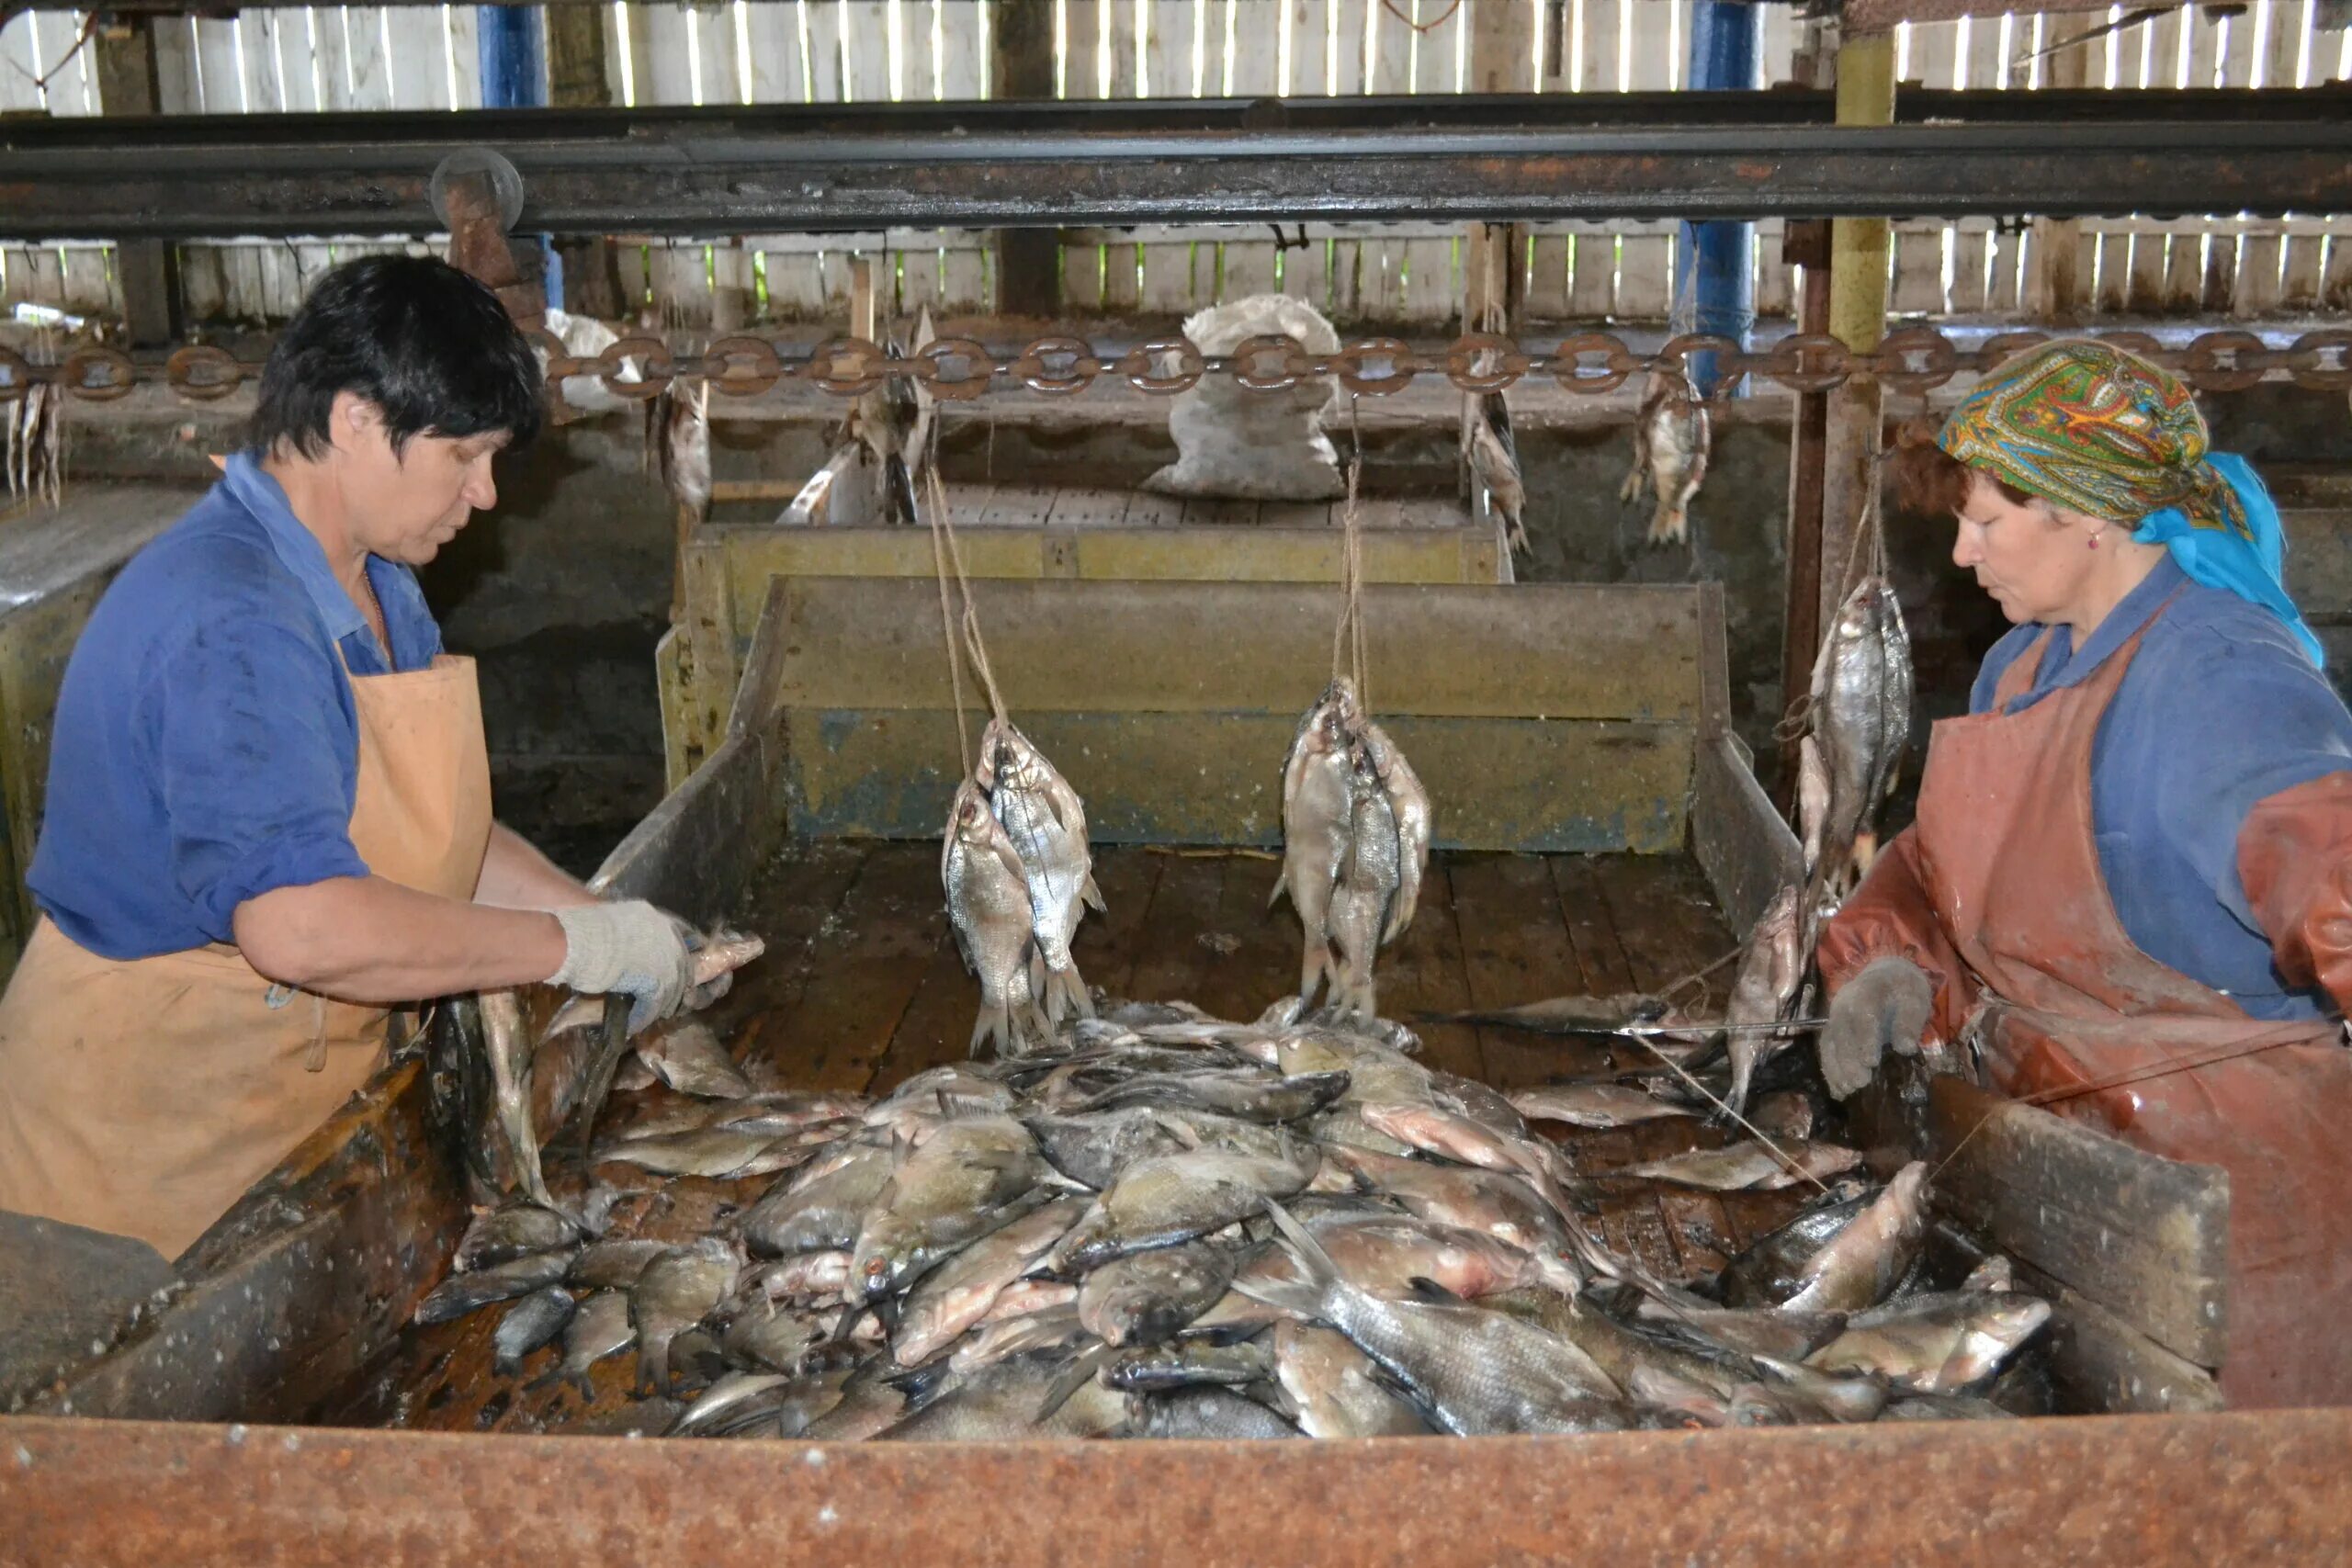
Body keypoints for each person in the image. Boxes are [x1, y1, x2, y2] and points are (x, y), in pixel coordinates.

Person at [0, 256, 748, 1263]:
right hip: (144, 1141)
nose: (485, 496)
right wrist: (567, 953)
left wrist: (603, 921)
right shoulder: (232, 617)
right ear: (355, 421)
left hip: (284, 1106)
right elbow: (299, 926)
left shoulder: (376, 581)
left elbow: (439, 837)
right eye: (465, 456)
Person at [1816, 339, 2352, 1407]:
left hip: (2227, 1205)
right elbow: (1949, 856)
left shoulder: (2221, 680)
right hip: (2058, 1158)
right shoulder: (2025, 657)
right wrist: (1886, 956)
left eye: (1988, 523)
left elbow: (2332, 870)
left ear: (2091, 513)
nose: (1964, 556)